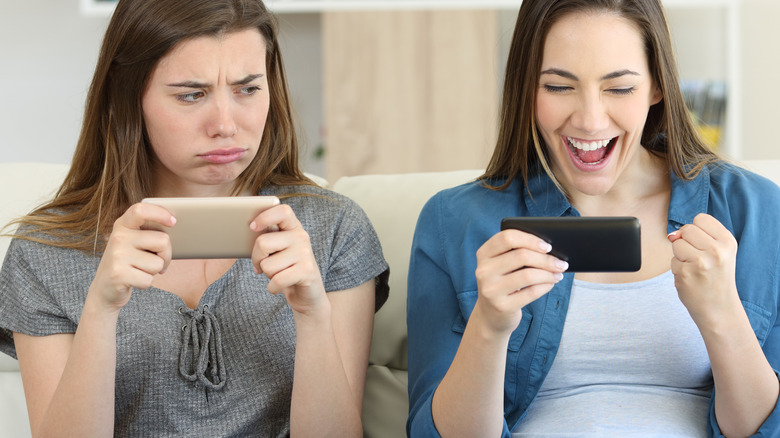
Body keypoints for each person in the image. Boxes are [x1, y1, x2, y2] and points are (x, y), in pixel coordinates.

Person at [0, 0, 389, 436]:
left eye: (247, 89)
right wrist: (101, 310)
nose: (225, 125)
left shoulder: (334, 229)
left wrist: (314, 318)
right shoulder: (44, 252)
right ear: (128, 98)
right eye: (191, 94)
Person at [406, 0, 780, 437]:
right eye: (559, 87)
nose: (589, 119)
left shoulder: (757, 211)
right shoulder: (452, 222)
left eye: (618, 88)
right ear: (526, 88)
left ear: (657, 86)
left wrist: (723, 317)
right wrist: (488, 326)